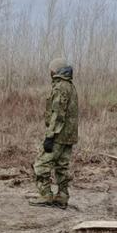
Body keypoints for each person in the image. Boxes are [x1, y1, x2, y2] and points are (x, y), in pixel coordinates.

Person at [29, 58, 78, 209]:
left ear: (55, 71)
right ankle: (62, 196)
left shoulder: (60, 87)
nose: (50, 72)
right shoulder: (70, 86)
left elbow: (57, 114)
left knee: (40, 164)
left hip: (58, 134)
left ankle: (46, 195)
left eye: (51, 70)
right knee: (62, 167)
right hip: (69, 135)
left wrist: (50, 136)